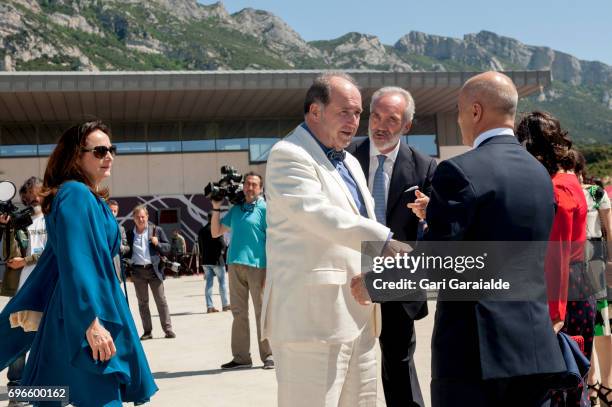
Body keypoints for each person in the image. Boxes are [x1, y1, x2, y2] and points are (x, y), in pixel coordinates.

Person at [359, 72, 566, 406]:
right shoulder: (539, 174)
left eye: (458, 111)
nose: (458, 120)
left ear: (475, 112)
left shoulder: (458, 171)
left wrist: (374, 284)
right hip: (535, 348)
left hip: (476, 354)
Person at [0, 120, 157, 406]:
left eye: (111, 149)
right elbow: (76, 260)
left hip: (80, 309)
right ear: (76, 155)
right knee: (98, 396)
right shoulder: (75, 194)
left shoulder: (87, 196)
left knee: (51, 392)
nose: (108, 155)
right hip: (82, 314)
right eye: (99, 151)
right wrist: (91, 322)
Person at [263, 72, 391, 406]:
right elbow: (319, 214)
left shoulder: (350, 160)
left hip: (361, 315)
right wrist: (384, 240)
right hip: (312, 323)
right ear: (315, 112)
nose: (354, 121)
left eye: (358, 113)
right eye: (344, 112)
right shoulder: (287, 154)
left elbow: (361, 218)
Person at [347, 86, 436, 407]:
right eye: (376, 116)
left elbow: (434, 231)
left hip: (398, 279)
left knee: (398, 361)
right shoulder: (344, 158)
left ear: (407, 126)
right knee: (349, 364)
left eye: (392, 119)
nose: (381, 125)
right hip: (349, 273)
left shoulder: (425, 167)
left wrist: (432, 209)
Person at [210, 172, 273, 370]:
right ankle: (241, 357)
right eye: (247, 184)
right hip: (235, 264)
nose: (250, 188)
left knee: (262, 312)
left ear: (261, 189)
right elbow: (215, 232)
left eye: (254, 185)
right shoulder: (236, 209)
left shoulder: (265, 209)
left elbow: (274, 238)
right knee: (239, 313)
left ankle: (269, 355)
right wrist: (216, 208)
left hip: (258, 266)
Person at [0, 176, 47, 407]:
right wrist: (6, 227)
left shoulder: (52, 220)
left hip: (45, 288)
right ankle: (18, 394)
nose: (31, 200)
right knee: (18, 343)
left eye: (33, 195)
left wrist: (26, 260)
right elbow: (8, 257)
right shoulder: (20, 222)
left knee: (43, 341)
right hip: (20, 289)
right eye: (27, 197)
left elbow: (52, 251)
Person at [576, 152, 612, 406]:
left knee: (602, 326)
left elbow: (609, 231)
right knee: (582, 327)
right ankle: (591, 383)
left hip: (596, 266)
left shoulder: (596, 193)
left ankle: (607, 388)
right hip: (572, 268)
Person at [126, 205, 176, 340]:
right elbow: (127, 252)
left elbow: (167, 248)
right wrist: (128, 272)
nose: (141, 219)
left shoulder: (156, 230)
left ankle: (168, 329)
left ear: (147, 217)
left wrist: (157, 243)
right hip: (138, 272)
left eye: (143, 216)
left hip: (154, 270)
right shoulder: (130, 234)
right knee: (143, 303)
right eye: (138, 217)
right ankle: (147, 331)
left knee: (161, 301)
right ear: (134, 219)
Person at [198, 213, 230, 313]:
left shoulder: (201, 230)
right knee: (222, 283)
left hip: (205, 261)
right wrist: (222, 251)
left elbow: (200, 247)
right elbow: (223, 245)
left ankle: (210, 306)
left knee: (209, 283)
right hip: (216, 260)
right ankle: (225, 305)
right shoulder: (216, 229)